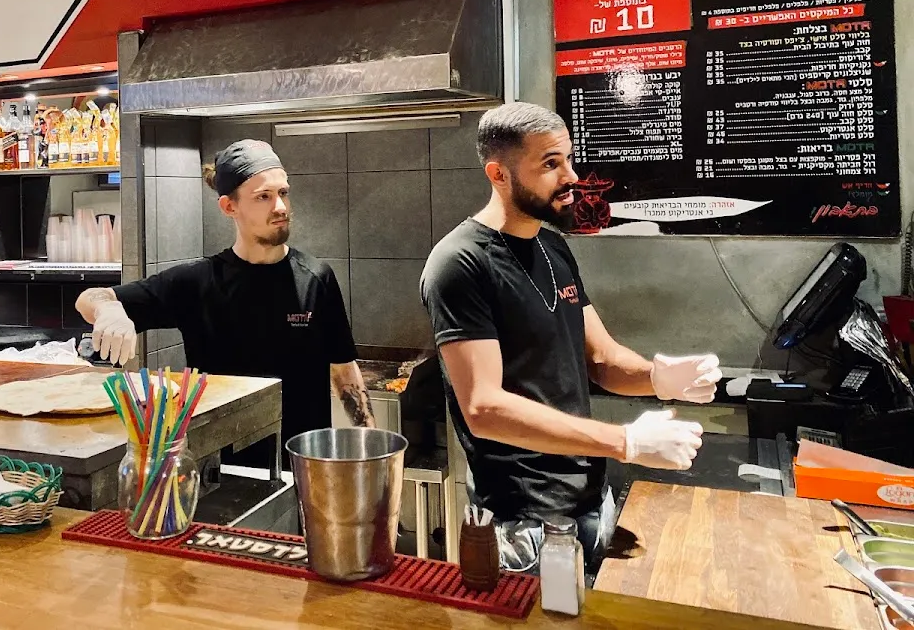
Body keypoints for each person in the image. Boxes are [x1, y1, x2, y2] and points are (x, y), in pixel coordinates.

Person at [419, 103, 720, 572]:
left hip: (589, 498)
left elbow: (600, 358)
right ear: (498, 174)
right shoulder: (460, 263)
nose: (571, 177)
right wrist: (626, 441)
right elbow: (484, 409)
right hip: (522, 520)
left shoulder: (552, 246)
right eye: (550, 164)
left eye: (569, 159)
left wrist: (658, 377)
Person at [75, 139, 375, 465]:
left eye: (283, 192)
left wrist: (370, 445)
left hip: (304, 468)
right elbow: (88, 299)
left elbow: (344, 371)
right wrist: (109, 309)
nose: (280, 207)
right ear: (229, 207)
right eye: (263, 196)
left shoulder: (316, 278)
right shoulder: (196, 282)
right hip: (220, 471)